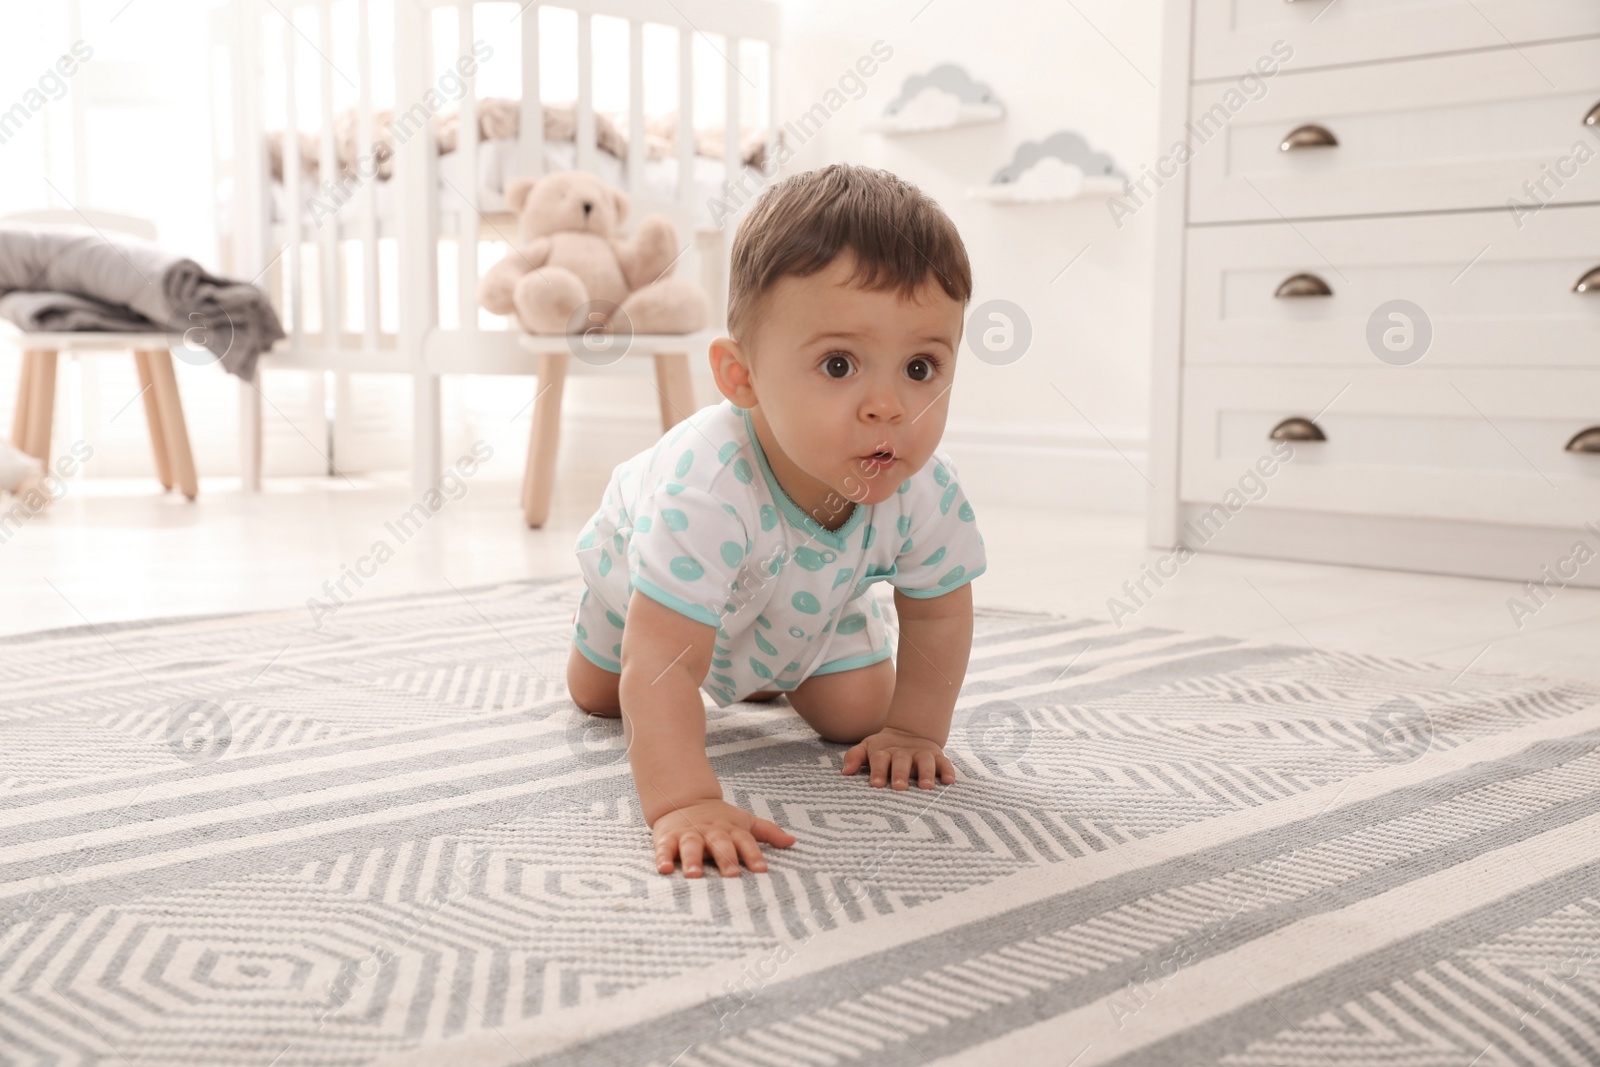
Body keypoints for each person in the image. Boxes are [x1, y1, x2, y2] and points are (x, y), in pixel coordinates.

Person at [567, 163, 985, 878]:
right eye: (839, 364)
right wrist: (683, 800)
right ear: (743, 377)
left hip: (804, 599)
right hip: (645, 584)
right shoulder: (705, 485)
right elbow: (663, 662)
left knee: (860, 715)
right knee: (604, 694)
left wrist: (914, 729)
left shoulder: (923, 490)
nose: (887, 405)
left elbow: (939, 615)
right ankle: (691, 646)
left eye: (919, 368)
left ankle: (769, 659)